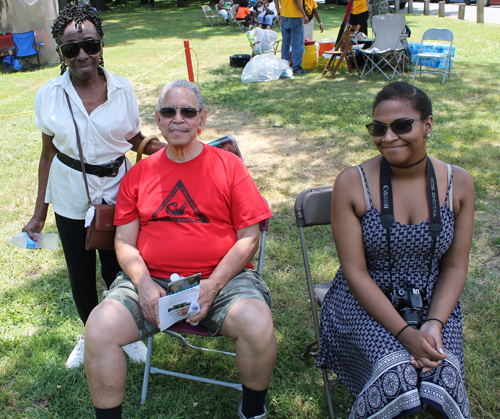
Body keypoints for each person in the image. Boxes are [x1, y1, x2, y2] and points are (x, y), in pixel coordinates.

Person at [83, 80, 277, 419]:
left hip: (222, 280)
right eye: (169, 111)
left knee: (257, 322)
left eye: (187, 111)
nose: (178, 119)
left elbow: (248, 237)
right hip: (151, 279)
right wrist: (142, 283)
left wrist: (213, 285)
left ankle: (253, 411)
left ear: (201, 119)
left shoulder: (229, 167)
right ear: (157, 120)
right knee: (99, 328)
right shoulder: (139, 174)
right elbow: (124, 242)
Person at [317, 82, 474, 419]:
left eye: (402, 126)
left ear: (428, 125)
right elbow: (355, 272)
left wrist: (433, 324)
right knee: (397, 372)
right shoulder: (351, 182)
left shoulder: (458, 183)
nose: (388, 138)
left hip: (435, 301)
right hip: (363, 300)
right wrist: (404, 334)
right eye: (378, 128)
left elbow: (455, 267)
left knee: (443, 372)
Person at [22, 4, 165, 369]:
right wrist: (39, 215)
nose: (82, 54)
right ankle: (90, 334)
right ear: (60, 51)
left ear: (101, 44)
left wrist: (167, 151)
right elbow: (46, 155)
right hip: (71, 195)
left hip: (120, 191)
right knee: (81, 273)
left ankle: (125, 332)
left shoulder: (122, 88)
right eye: (71, 48)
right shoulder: (49, 95)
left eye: (90, 44)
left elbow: (133, 137)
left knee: (118, 269)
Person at [276, 0, 309, 74]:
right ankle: (296, 67)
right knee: (297, 43)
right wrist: (304, 15)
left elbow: (275, 1)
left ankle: (284, 66)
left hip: (284, 15)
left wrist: (279, 13)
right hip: (295, 16)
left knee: (285, 43)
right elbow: (296, 1)